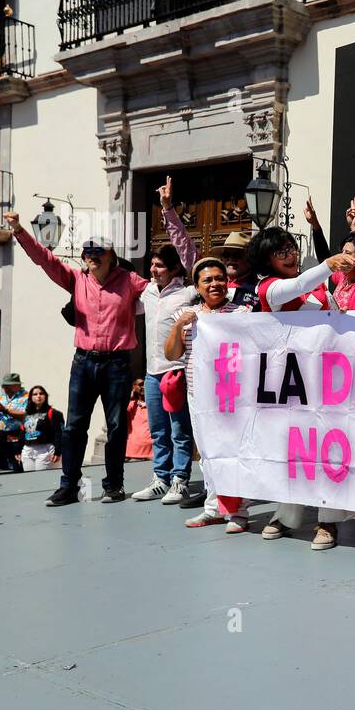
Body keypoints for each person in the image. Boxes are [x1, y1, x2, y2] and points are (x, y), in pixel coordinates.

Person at [6, 210, 150, 506]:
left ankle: (114, 485)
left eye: (99, 251)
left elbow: (160, 295)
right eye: (87, 251)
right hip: (83, 361)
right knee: (74, 426)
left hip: (117, 364)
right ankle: (69, 486)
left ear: (111, 255)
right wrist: (19, 230)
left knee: (116, 426)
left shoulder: (130, 281)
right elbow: (45, 260)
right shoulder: (76, 280)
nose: (91, 255)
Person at [240, 228, 355, 548]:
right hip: (288, 385)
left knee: (329, 449)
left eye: (291, 248)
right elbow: (297, 286)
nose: (291, 255)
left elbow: (337, 326)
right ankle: (287, 514)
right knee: (293, 452)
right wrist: (329, 264)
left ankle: (328, 521)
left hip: (326, 382)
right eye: (281, 252)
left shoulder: (319, 289)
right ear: (267, 260)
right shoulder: (270, 289)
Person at [167, 258, 252, 533]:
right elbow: (171, 354)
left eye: (220, 278)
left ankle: (238, 512)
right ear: (197, 286)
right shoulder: (186, 314)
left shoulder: (242, 313)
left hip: (232, 396)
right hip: (198, 396)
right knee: (207, 454)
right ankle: (213, 509)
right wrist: (179, 325)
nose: (215, 284)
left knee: (234, 453)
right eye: (208, 280)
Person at [131, 176, 199, 503]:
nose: (153, 269)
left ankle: (180, 479)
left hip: (178, 371)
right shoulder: (145, 293)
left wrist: (168, 210)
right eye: (152, 265)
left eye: (159, 266)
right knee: (158, 430)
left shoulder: (187, 292)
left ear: (173, 269)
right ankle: (160, 477)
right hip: (152, 371)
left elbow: (188, 252)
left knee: (179, 430)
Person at [0, 372, 28, 471]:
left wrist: (5, 410)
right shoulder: (0, 398)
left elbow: (25, 415)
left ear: (18, 385)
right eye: (4, 386)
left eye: (9, 386)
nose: (6, 388)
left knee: (13, 469)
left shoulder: (27, 397)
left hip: (14, 439)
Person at [20, 385, 62, 471]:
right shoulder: (26, 414)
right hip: (28, 450)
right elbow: (22, 433)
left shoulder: (53, 413)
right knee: (28, 478)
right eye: (35, 394)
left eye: (41, 393)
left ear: (45, 396)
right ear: (31, 397)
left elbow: (59, 433)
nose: (38, 396)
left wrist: (58, 452)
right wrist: (17, 450)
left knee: (42, 479)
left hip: (45, 450)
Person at [125, 378, 153, 461]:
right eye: (141, 384)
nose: (144, 387)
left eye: (145, 384)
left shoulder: (154, 405)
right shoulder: (131, 405)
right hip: (133, 452)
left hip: (152, 453)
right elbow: (119, 413)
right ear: (134, 387)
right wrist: (130, 397)